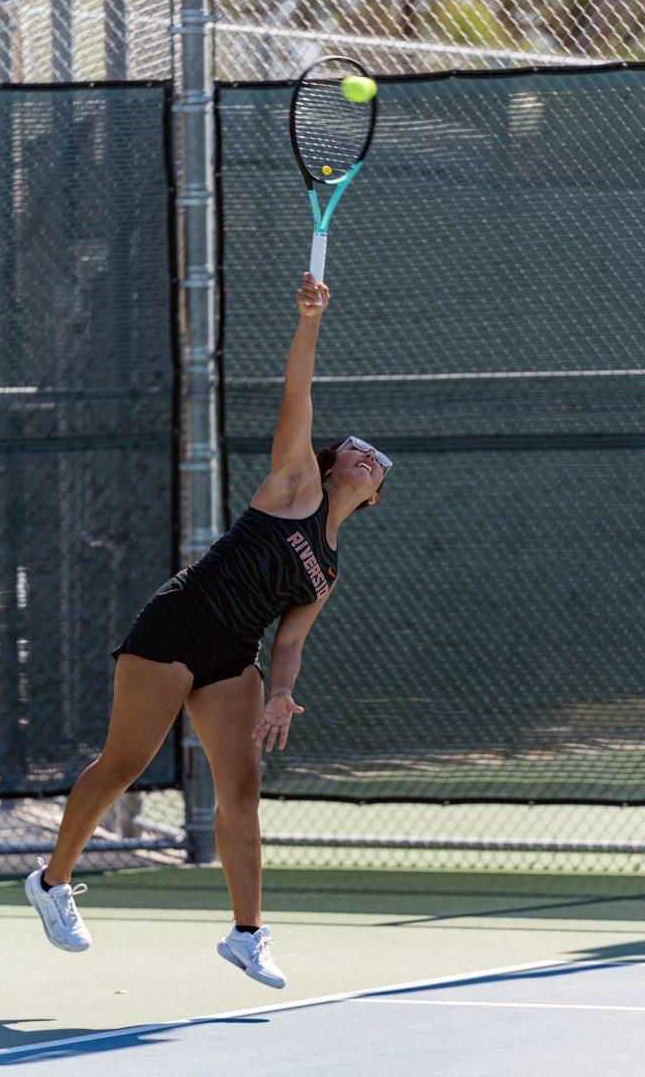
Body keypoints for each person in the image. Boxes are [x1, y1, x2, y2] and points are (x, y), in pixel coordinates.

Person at [24, 271, 391, 989]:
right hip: (180, 621)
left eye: (376, 463)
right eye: (354, 448)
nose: (365, 455)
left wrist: (282, 694)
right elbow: (299, 393)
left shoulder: (329, 569)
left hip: (233, 658)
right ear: (329, 462)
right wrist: (310, 320)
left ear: (373, 496)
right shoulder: (296, 484)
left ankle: (248, 935)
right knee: (124, 763)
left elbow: (288, 643)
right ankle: (53, 880)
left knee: (243, 793)